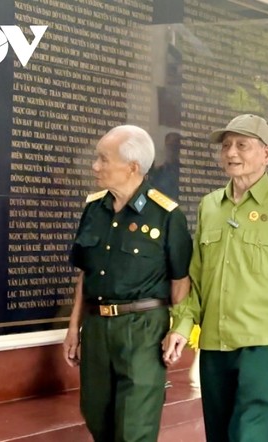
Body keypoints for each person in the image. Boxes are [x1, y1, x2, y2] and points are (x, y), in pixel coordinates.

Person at [162, 114, 268, 442]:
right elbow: (197, 280)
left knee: (250, 434)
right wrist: (181, 325)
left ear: (267, 154)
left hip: (262, 345)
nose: (231, 153)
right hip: (214, 344)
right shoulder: (210, 206)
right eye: (226, 146)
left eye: (242, 145)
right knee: (219, 435)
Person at [62, 125, 192, 442]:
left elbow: (180, 282)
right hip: (96, 329)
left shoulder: (166, 216)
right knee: (96, 416)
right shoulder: (94, 208)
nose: (95, 166)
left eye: (103, 159)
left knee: (134, 428)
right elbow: (85, 273)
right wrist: (73, 327)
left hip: (143, 330)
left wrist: (177, 330)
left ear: (132, 167)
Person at [149, 132, 181, 199]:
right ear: (165, 147)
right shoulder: (157, 172)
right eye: (169, 146)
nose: (172, 149)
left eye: (175, 146)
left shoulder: (186, 173)